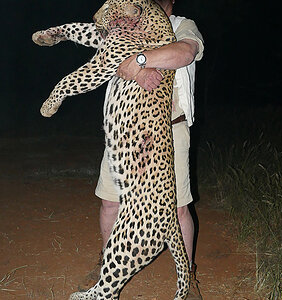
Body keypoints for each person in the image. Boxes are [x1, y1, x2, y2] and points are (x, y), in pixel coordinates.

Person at [80, 0, 204, 299]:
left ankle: (187, 276)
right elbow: (98, 45)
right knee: (111, 203)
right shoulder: (127, 23)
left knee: (177, 209)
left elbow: (185, 53)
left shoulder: (182, 26)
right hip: (124, 129)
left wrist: (139, 61)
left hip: (168, 131)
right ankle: (106, 264)